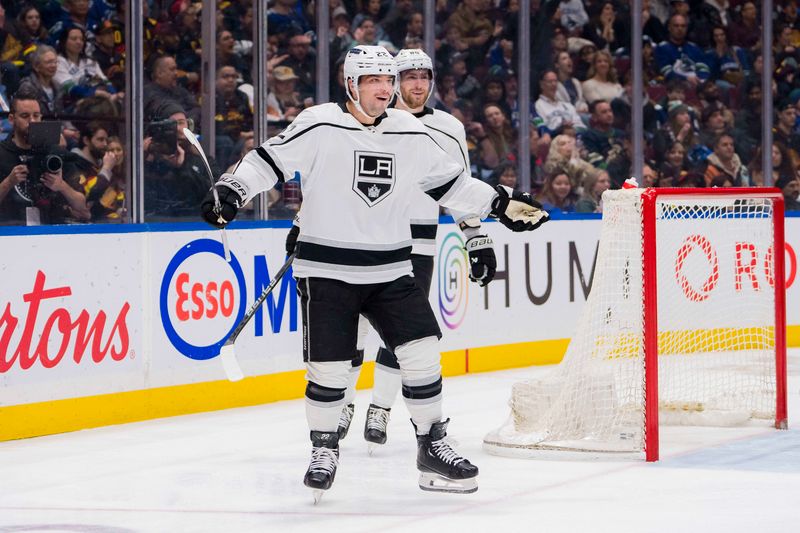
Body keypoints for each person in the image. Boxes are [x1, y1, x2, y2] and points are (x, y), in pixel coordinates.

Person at [200, 45, 547, 500]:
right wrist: (232, 190)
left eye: (388, 81)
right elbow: (268, 161)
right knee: (329, 370)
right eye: (373, 81)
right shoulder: (319, 122)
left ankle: (431, 444)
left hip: (390, 268)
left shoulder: (409, 131)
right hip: (327, 269)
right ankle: (324, 449)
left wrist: (499, 202)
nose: (385, 89)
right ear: (351, 84)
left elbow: (451, 184)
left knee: (422, 353)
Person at [294, 48, 498, 453]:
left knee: (403, 337)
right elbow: (330, 183)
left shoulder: (447, 127)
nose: (416, 84)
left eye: (424, 76)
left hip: (414, 243)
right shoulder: (356, 124)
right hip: (365, 241)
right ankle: (344, 406)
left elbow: (459, 186)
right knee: (348, 335)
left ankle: (381, 408)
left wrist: (476, 237)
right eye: (407, 77)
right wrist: (302, 222)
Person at [0, 91, 89, 225]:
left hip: (51, 233)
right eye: (25, 116)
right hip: (10, 233)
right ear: (12, 119)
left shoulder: (55, 152)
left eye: (36, 115)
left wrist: (62, 186)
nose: (32, 121)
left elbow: (83, 209)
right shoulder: (1, 152)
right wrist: (8, 182)